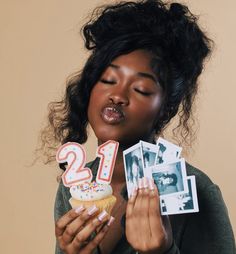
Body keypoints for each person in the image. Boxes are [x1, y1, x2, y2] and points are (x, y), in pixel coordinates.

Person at [40, 0, 236, 253]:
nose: (118, 95)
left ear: (166, 108)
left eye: (141, 89)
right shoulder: (74, 187)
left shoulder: (197, 191)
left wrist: (161, 251)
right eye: (108, 79)